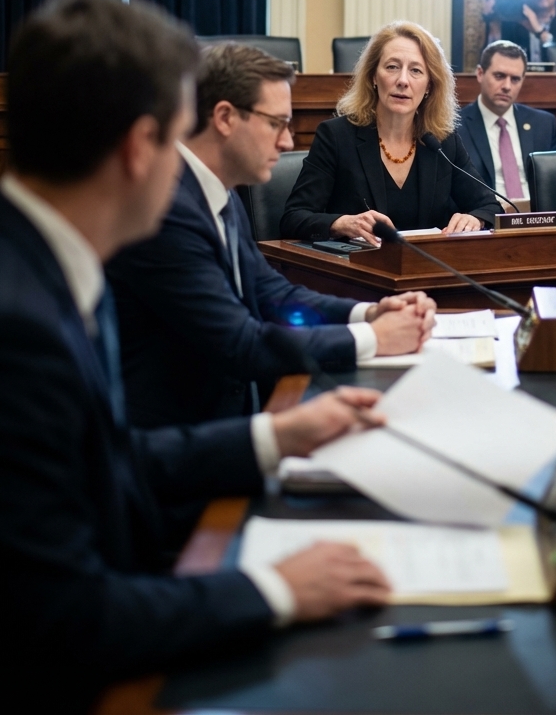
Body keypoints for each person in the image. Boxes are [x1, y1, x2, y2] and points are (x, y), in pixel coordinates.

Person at [0, 0, 391, 715]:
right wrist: (277, 589)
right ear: (141, 150)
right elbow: (65, 621)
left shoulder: (49, 261)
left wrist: (273, 435)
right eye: (178, 137)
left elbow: (109, 458)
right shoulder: (13, 326)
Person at [108, 43, 435, 430]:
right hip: (182, 444)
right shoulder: (168, 209)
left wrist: (368, 312)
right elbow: (240, 343)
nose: (285, 142)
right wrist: (372, 338)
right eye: (276, 123)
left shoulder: (220, 191)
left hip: (235, 417)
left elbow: (273, 295)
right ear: (225, 118)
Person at [280, 21, 499, 243]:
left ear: (430, 86)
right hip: (359, 269)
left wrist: (474, 219)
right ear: (374, 76)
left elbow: (490, 206)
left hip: (427, 271)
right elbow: (294, 217)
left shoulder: (442, 142)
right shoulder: (336, 136)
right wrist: (342, 224)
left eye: (415, 70)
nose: (403, 80)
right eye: (392, 67)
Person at [458, 40, 556, 205]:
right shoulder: (456, 127)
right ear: (480, 73)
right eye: (499, 76)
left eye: (515, 79)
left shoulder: (544, 124)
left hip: (539, 221)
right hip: (486, 223)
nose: (507, 86)